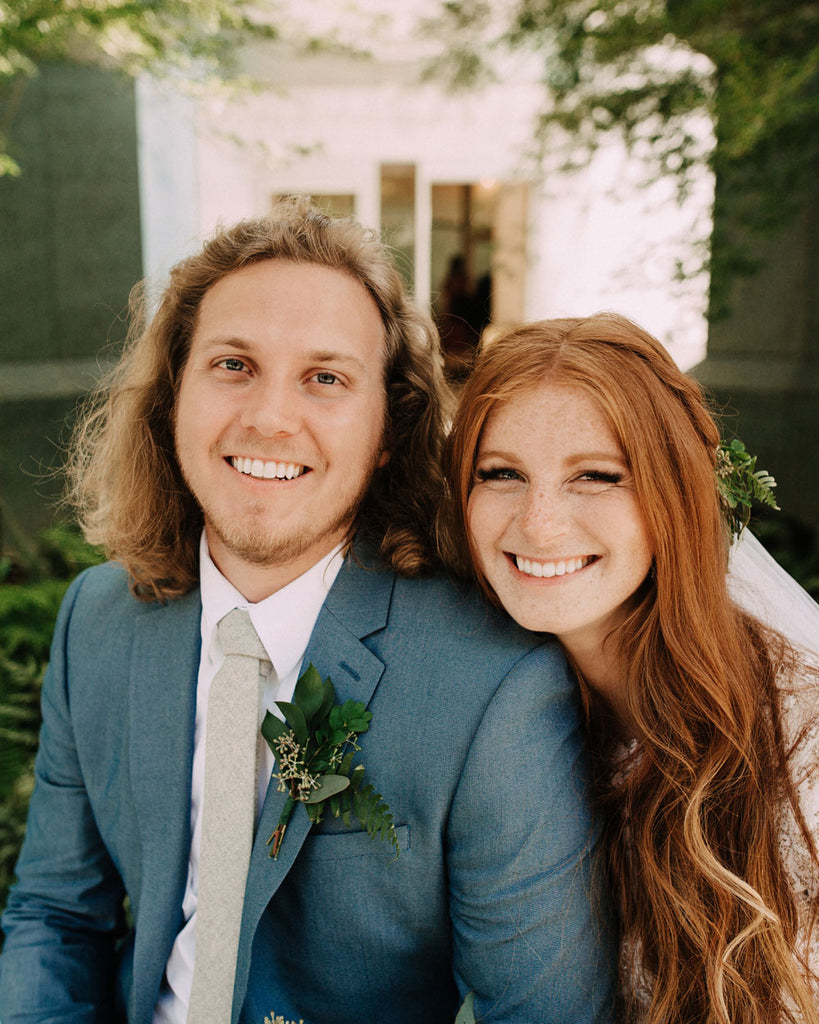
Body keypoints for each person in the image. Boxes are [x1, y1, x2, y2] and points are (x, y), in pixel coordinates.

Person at [0, 200, 615, 1024]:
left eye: (325, 378)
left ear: (388, 429)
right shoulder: (99, 620)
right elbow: (55, 917)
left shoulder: (492, 686)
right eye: (232, 365)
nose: (269, 418)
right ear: (172, 393)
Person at [442, 313, 819, 1024]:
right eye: (500, 474)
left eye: (594, 476)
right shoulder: (494, 708)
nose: (539, 521)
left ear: (671, 495)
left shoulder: (803, 742)